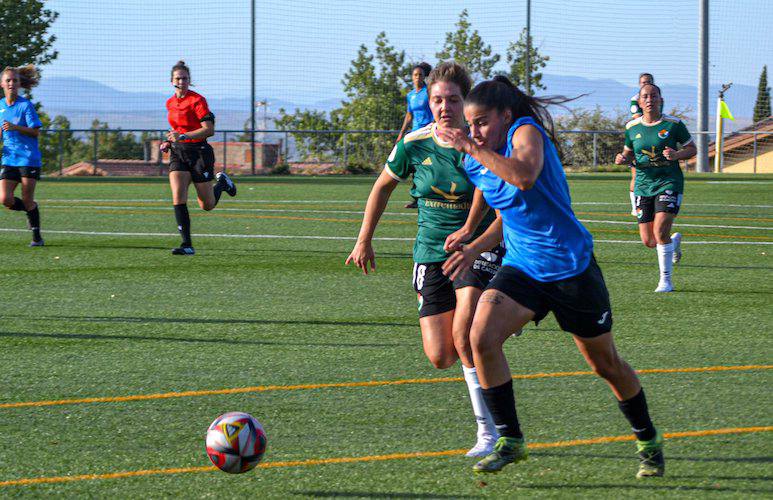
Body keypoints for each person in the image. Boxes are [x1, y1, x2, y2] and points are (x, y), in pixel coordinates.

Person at [438, 76, 664, 478]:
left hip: (570, 269)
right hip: (524, 267)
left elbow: (523, 176)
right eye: (470, 125)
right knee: (480, 337)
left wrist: (470, 146)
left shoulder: (526, 132)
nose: (475, 132)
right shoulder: (475, 156)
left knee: (605, 365)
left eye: (483, 122)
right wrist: (474, 246)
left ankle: (647, 437)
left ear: (506, 116)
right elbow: (508, 213)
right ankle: (511, 440)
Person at [346, 62, 505, 457]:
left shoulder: (481, 141)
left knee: (466, 333)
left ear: (465, 101)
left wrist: (471, 232)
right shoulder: (414, 143)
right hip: (430, 251)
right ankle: (499, 323)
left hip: (478, 248)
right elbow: (382, 187)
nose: (444, 107)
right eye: (438, 100)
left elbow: (495, 197)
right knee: (441, 355)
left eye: (453, 99)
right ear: (428, 102)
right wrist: (364, 240)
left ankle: (488, 432)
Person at [616, 83, 695, 292]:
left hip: (668, 182)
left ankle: (666, 280)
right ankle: (673, 243)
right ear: (640, 102)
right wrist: (623, 159)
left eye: (653, 96)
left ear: (660, 100)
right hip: (643, 185)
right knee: (649, 241)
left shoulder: (673, 124)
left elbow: (691, 148)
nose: (650, 99)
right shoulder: (631, 128)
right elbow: (628, 153)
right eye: (645, 96)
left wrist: (677, 155)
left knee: (660, 231)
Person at [161, 60, 237, 255]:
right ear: (172, 81)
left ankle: (222, 184)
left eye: (185, 78)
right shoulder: (170, 102)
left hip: (199, 153)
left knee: (207, 205)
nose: (182, 81)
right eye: (178, 78)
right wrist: (169, 142)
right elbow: (176, 129)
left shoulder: (197, 101)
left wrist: (185, 136)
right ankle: (187, 245)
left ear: (189, 80)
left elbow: (208, 130)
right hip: (178, 153)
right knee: (178, 196)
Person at [0, 66, 44, 247]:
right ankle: (29, 209)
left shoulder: (26, 105)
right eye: (8, 80)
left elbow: (35, 132)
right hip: (9, 159)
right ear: (2, 83)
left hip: (28, 159)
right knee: (5, 199)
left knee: (27, 199)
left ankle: (37, 238)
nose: (11, 83)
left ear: (19, 84)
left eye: (15, 81)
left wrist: (16, 127)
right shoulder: (1, 105)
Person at [626, 73, 663, 216]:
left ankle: (657, 203)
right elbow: (637, 117)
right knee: (636, 174)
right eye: (642, 82)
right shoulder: (635, 100)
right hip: (640, 139)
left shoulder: (657, 98)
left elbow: (657, 115)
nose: (645, 84)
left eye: (648, 82)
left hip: (655, 139)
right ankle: (635, 207)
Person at [397, 63, 433, 209]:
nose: (418, 77)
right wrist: (401, 133)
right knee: (415, 165)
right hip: (415, 134)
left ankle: (430, 195)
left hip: (428, 132)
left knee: (428, 164)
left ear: (425, 77)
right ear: (412, 77)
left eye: (420, 75)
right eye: (415, 75)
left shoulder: (428, 92)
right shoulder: (410, 95)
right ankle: (417, 197)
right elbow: (409, 115)